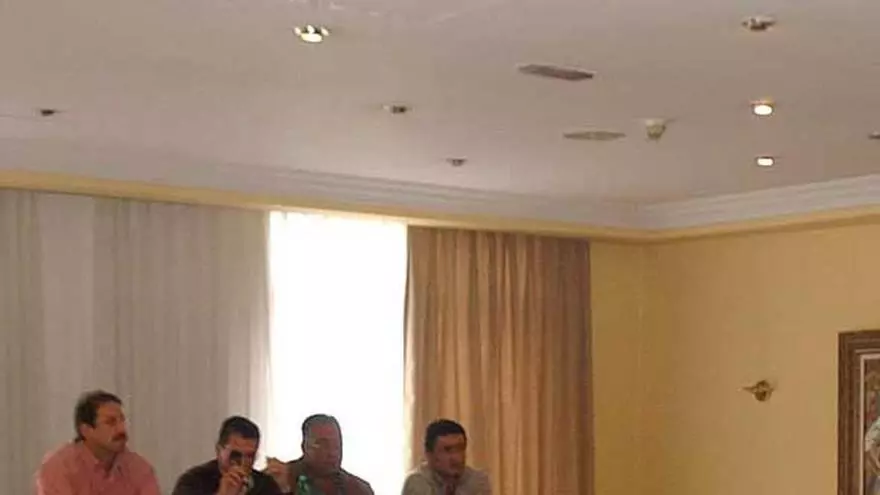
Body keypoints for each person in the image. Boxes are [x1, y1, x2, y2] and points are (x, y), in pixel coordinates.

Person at [35, 390, 161, 495]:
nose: (121, 429)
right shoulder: (60, 467)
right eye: (110, 422)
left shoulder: (139, 468)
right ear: (86, 430)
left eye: (122, 420)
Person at [265, 414, 373, 495]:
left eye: (337, 444)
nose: (332, 452)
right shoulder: (283, 479)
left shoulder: (358, 489)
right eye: (323, 445)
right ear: (304, 446)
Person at [172, 416, 281, 495]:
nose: (242, 463)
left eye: (250, 456)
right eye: (235, 455)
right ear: (219, 450)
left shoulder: (266, 486)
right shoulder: (193, 481)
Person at [401, 419, 491, 495]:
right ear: (429, 455)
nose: (457, 458)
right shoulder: (417, 482)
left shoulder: (478, 481)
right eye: (448, 450)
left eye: (460, 448)